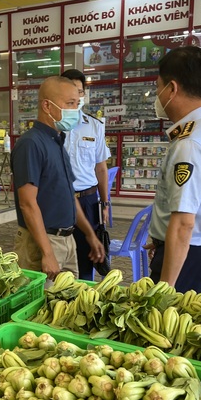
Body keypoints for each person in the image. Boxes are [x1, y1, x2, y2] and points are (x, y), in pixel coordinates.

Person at [147, 46, 201, 293]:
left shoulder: (190, 144)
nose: (158, 96)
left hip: (187, 259)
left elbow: (184, 223)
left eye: (158, 88)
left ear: (171, 89)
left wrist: (164, 288)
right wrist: (161, 239)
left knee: (166, 326)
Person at [11, 76, 105, 280]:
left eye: (77, 104)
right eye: (70, 104)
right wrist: (47, 253)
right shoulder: (31, 144)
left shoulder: (57, 140)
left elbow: (70, 196)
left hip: (67, 240)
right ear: (47, 105)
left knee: (66, 305)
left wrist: (89, 234)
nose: (75, 111)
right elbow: (27, 204)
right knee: (41, 307)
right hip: (43, 242)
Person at [60, 69, 111, 281]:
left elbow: (101, 168)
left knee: (87, 257)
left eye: (80, 92)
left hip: (87, 200)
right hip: (60, 200)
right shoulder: (54, 125)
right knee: (58, 256)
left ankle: (84, 299)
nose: (77, 97)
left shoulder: (95, 126)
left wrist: (105, 203)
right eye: (72, 91)